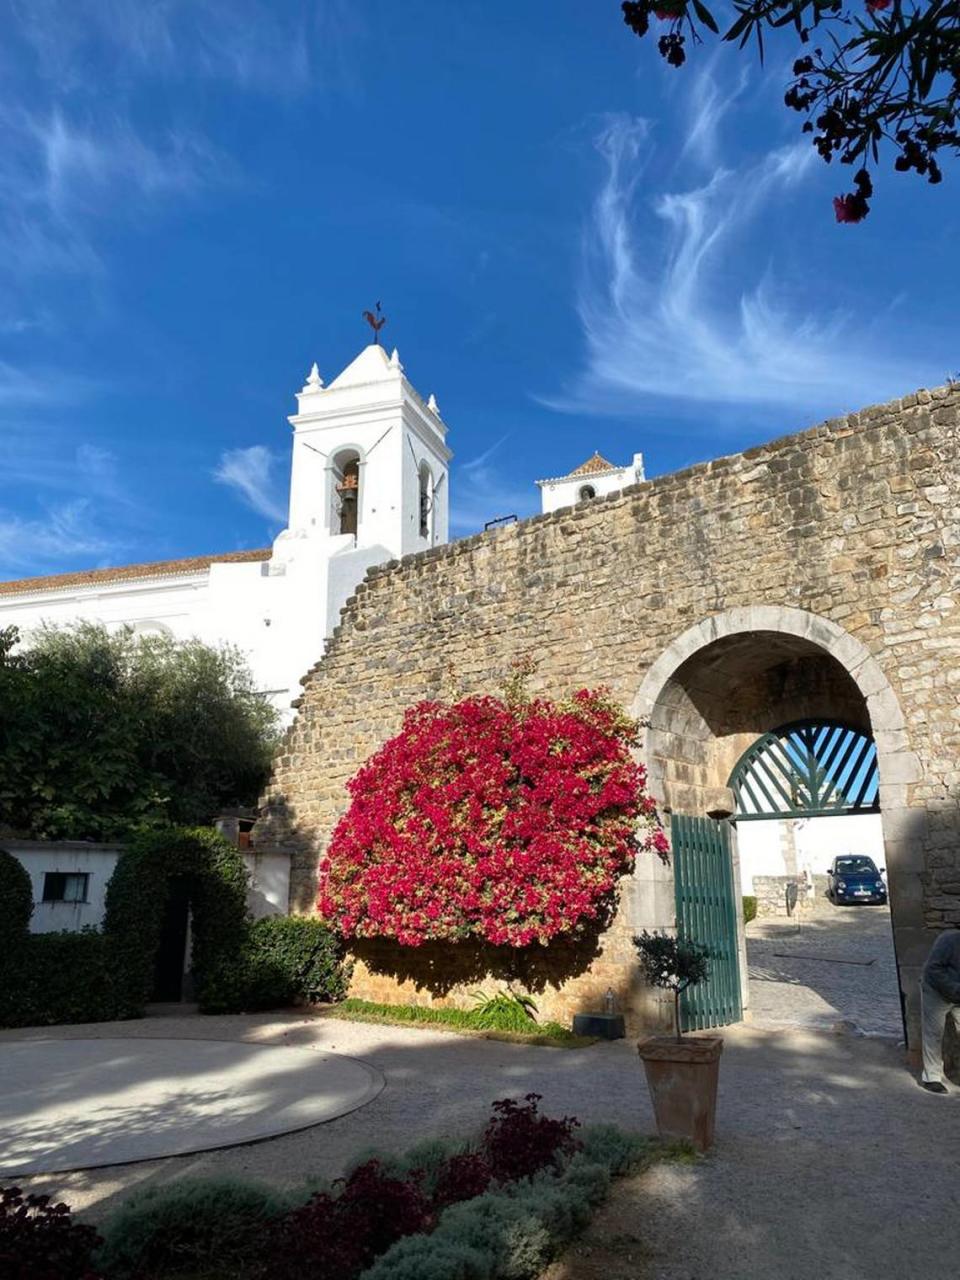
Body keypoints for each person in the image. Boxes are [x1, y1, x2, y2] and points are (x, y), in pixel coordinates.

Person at [919, 925, 960, 1094]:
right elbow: (933, 969)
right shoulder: (948, 940)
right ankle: (932, 1077)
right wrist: (955, 988)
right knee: (933, 1033)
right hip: (935, 990)